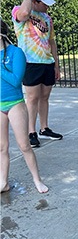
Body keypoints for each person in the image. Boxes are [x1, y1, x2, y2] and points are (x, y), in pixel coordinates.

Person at [1, 18, 48, 194]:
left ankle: (37, 180)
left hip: (14, 104)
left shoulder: (16, 53)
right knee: (1, 147)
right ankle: (3, 182)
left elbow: (15, 81)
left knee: (24, 146)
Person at [12, 0, 62, 148]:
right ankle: (30, 132)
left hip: (47, 62)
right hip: (30, 62)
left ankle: (44, 128)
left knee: (44, 97)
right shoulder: (19, 11)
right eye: (44, 2)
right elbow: (25, 13)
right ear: (34, 0)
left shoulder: (47, 18)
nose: (47, 6)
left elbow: (52, 42)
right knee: (32, 98)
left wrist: (56, 65)